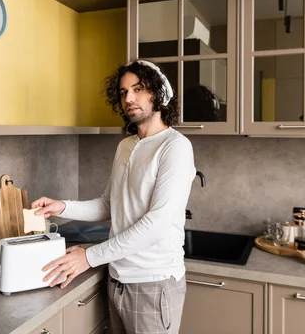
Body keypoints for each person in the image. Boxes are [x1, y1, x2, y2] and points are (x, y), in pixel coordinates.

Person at [31, 59, 197, 334]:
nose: (128, 98)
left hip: (152, 284)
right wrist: (62, 206)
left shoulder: (175, 147)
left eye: (138, 88)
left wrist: (89, 257)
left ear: (157, 94)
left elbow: (156, 225)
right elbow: (109, 204)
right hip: (118, 279)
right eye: (123, 92)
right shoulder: (125, 146)